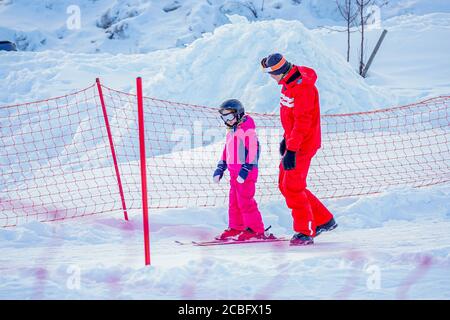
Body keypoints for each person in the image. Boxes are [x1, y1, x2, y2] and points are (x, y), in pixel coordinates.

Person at [260, 53, 337, 245]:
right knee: (284, 183)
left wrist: (292, 149)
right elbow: (292, 118)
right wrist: (286, 140)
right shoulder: (289, 83)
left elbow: (303, 122)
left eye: (271, 74)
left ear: (279, 71)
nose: (271, 78)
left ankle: (305, 231)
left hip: (303, 144)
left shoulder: (302, 88)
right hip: (295, 141)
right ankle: (324, 220)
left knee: (292, 187)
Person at [213, 99, 267, 241]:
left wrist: (246, 168)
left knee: (245, 201)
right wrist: (221, 166)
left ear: (238, 114)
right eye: (224, 117)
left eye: (230, 116)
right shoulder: (232, 130)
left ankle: (255, 229)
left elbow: (254, 150)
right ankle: (237, 227)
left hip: (246, 173)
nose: (227, 120)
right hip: (233, 172)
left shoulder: (247, 129)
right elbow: (227, 149)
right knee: (234, 201)